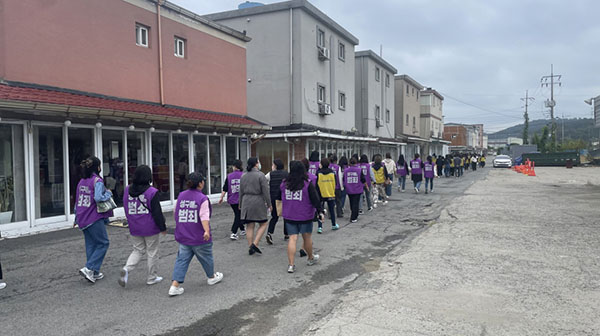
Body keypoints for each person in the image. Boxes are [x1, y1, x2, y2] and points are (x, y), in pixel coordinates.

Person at [168, 172, 223, 296]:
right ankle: (211, 277)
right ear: (200, 183)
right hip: (198, 235)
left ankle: (174, 285)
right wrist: (206, 231)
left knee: (181, 260)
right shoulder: (202, 198)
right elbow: (204, 216)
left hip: (184, 235)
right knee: (206, 257)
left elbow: (175, 212)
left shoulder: (181, 195)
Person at [119, 165, 167, 287]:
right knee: (152, 252)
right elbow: (157, 212)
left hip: (134, 226)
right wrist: (162, 227)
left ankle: (126, 269)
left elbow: (125, 207)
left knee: (138, 250)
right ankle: (152, 277)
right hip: (150, 227)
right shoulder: (152, 192)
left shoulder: (127, 190)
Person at [74, 156, 113, 283]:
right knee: (103, 243)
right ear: (97, 167)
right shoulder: (97, 181)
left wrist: (76, 217)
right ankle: (89, 268)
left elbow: (77, 201)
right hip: (93, 216)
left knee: (91, 244)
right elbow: (98, 198)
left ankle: (94, 272)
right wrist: (108, 193)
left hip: (82, 216)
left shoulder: (82, 181)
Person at [282, 161, 324, 273]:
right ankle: (310, 258)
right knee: (307, 238)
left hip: (290, 215)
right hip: (305, 215)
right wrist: (320, 211)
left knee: (292, 238)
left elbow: (279, 197)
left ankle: (291, 265)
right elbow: (315, 199)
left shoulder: (285, 183)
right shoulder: (307, 183)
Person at [239, 157, 271, 255]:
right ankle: (255, 243)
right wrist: (269, 204)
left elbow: (240, 192)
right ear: (256, 164)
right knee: (263, 223)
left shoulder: (243, 176)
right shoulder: (261, 175)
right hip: (258, 201)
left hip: (246, 201)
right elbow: (266, 191)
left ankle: (250, 246)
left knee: (250, 225)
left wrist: (240, 203)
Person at [219, 160, 245, 241]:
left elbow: (225, 188)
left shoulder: (229, 176)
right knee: (239, 215)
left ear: (234, 167)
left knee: (238, 214)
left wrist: (221, 197)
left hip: (232, 199)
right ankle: (234, 232)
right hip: (242, 199)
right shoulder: (244, 175)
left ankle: (242, 229)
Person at [265, 159, 288, 244]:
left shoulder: (270, 174)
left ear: (275, 166)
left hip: (274, 198)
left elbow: (264, 181)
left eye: (273, 165)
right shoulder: (286, 174)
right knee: (286, 217)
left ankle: (269, 233)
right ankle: (286, 234)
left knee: (274, 217)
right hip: (284, 198)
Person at [316, 158, 339, 233]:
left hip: (321, 194)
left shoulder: (318, 173)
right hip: (330, 193)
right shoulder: (332, 173)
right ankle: (333, 224)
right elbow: (335, 183)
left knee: (320, 211)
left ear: (321, 164)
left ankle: (320, 227)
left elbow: (316, 184)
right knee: (331, 210)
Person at [343, 157, 366, 223]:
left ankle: (354, 213)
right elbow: (363, 179)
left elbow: (344, 179)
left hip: (349, 188)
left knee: (352, 202)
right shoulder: (359, 170)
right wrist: (364, 185)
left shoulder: (346, 170)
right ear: (356, 162)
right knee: (356, 203)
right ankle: (354, 217)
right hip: (357, 188)